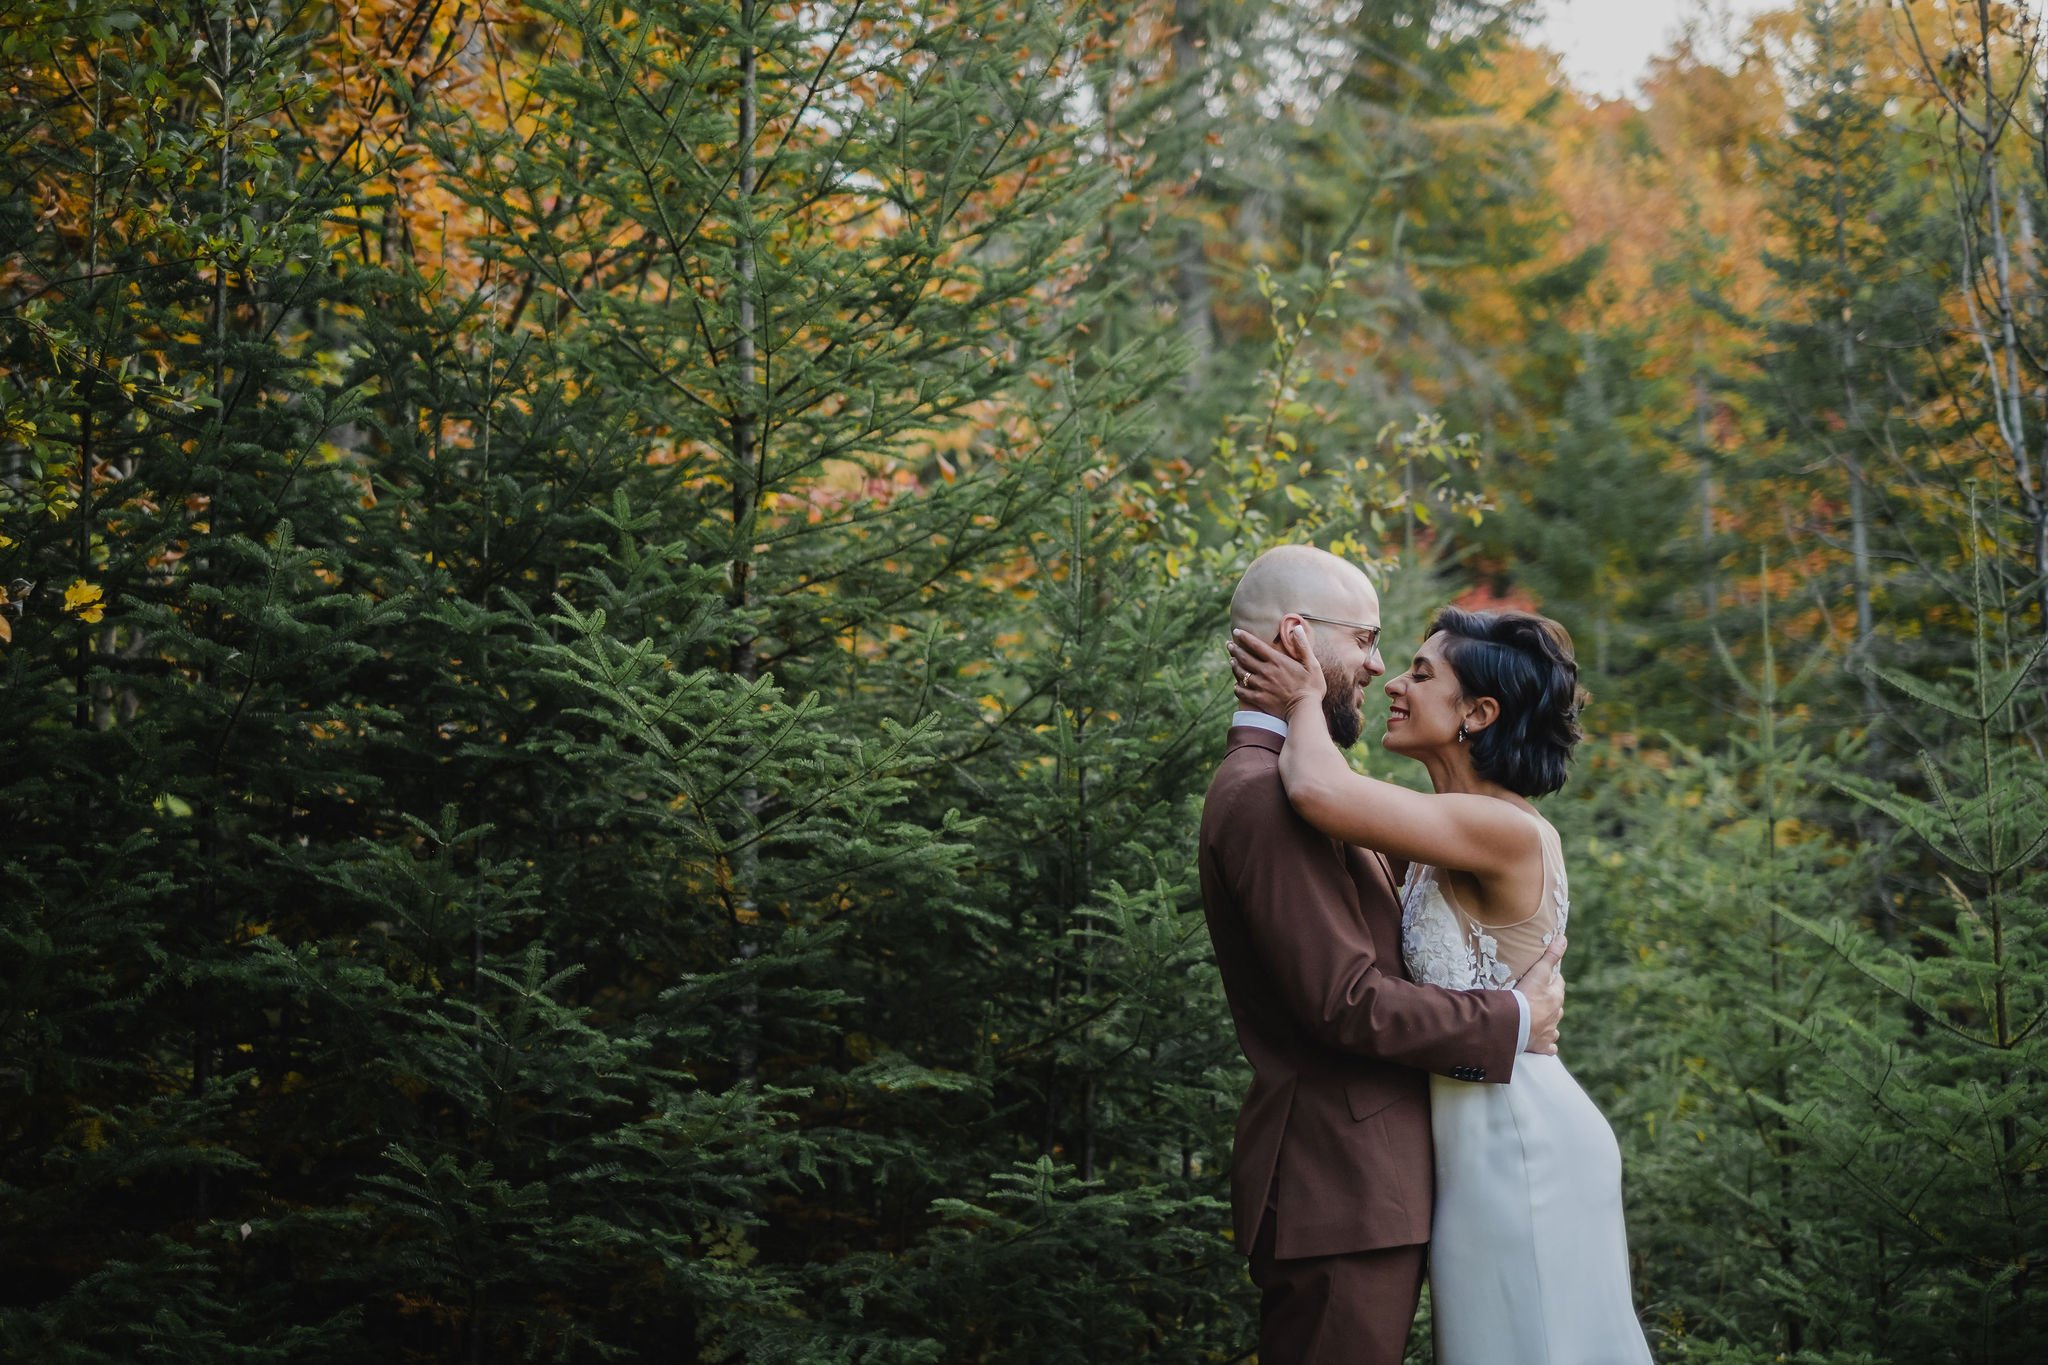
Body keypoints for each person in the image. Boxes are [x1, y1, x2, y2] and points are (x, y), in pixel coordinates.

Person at [1230, 584, 1655, 1365]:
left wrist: (1304, 694)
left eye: (1421, 674)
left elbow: (1321, 790)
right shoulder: (1434, 832)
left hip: (1523, 1138)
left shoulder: (1503, 827)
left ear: (1478, 714)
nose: (1393, 681)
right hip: (1467, 1141)